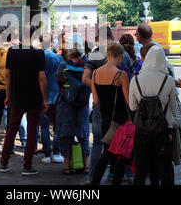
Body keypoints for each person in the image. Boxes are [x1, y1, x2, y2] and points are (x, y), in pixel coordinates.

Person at [0, 26, 48, 176]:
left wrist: (8, 94)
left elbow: (7, 75)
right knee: (32, 129)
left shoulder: (12, 52)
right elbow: (42, 78)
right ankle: (27, 165)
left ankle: (4, 163)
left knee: (12, 128)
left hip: (17, 95)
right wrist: (44, 99)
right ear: (35, 37)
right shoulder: (38, 54)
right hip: (33, 95)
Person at [129, 45, 177, 185]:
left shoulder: (135, 80)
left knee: (141, 169)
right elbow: (173, 106)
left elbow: (133, 107)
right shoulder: (169, 80)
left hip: (142, 131)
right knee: (164, 168)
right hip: (163, 130)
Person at [91, 42, 131, 185]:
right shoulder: (121, 75)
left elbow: (95, 101)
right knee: (120, 154)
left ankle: (95, 181)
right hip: (119, 120)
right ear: (120, 57)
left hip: (105, 119)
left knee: (106, 152)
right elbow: (128, 101)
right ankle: (115, 182)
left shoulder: (95, 73)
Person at [81, 26, 114, 184]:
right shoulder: (122, 54)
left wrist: (97, 88)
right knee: (118, 140)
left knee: (98, 141)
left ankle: (93, 178)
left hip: (99, 103)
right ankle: (116, 174)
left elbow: (85, 78)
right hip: (118, 104)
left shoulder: (94, 55)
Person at [55, 48, 90, 174]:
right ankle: (86, 166)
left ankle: (67, 166)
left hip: (66, 104)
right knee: (83, 134)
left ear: (69, 54)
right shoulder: (86, 65)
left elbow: (58, 80)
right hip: (82, 105)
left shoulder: (63, 65)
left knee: (65, 134)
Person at [39, 33, 64, 164]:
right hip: (56, 96)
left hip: (41, 97)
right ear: (52, 44)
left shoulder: (37, 58)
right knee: (57, 126)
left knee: (44, 127)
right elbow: (62, 77)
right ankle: (56, 152)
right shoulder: (58, 58)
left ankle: (47, 154)